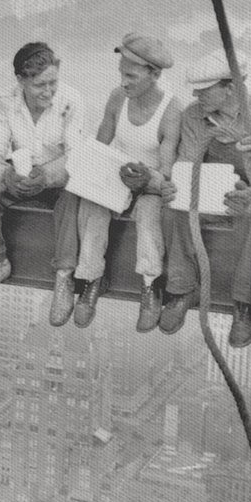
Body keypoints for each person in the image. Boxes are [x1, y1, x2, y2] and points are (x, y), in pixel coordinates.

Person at [158, 54, 251, 339]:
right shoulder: (193, 115)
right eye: (196, 89)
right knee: (174, 208)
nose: (196, 94)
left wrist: (250, 196)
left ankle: (243, 302)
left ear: (231, 87)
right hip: (209, 190)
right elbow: (188, 164)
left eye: (205, 88)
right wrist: (175, 186)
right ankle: (182, 288)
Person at [62, 34, 180, 332]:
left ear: (154, 75)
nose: (124, 82)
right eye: (121, 74)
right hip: (118, 174)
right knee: (93, 205)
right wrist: (89, 173)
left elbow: (166, 169)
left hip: (148, 182)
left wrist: (148, 179)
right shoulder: (118, 97)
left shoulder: (170, 109)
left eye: (131, 76)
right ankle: (91, 278)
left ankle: (151, 285)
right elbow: (102, 142)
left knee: (150, 213)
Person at [0, 40, 85, 312]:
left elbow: (75, 154)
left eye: (52, 83)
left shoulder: (71, 100)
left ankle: (64, 276)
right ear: (21, 80)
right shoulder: (5, 101)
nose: (48, 92)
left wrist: (46, 175)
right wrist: (6, 175)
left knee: (73, 192)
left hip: (56, 175)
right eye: (40, 85)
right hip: (20, 172)